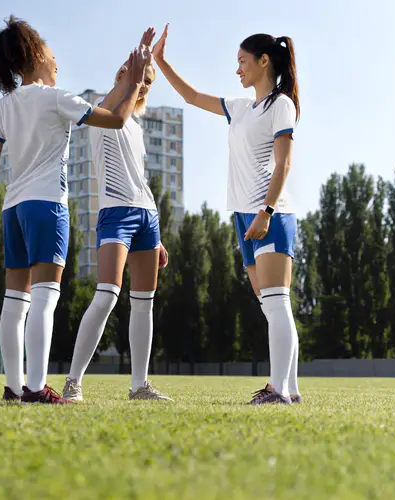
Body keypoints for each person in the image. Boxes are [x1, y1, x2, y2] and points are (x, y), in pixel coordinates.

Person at [0, 16, 155, 403]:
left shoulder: (0, 107)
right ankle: (38, 386)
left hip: (12, 210)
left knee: (15, 300)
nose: (57, 62)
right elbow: (116, 119)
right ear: (36, 54)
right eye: (53, 55)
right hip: (47, 207)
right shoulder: (57, 98)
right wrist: (132, 85)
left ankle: (13, 387)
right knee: (45, 296)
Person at [152, 24, 301, 404]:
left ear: (264, 61)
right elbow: (191, 96)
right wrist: (161, 61)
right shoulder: (239, 108)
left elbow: (283, 164)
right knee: (271, 305)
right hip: (242, 216)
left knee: (277, 300)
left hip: (271, 213)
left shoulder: (281, 104)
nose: (237, 70)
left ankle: (278, 389)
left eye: (242, 62)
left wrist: (266, 212)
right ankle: (292, 390)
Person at [62, 52, 171, 402]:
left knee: (144, 303)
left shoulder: (137, 129)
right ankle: (73, 383)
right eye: (132, 71)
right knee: (107, 295)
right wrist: (133, 74)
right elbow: (116, 106)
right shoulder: (102, 108)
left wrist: (160, 238)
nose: (138, 80)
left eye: (146, 80)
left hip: (147, 215)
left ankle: (139, 385)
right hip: (115, 213)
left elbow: (139, 178)